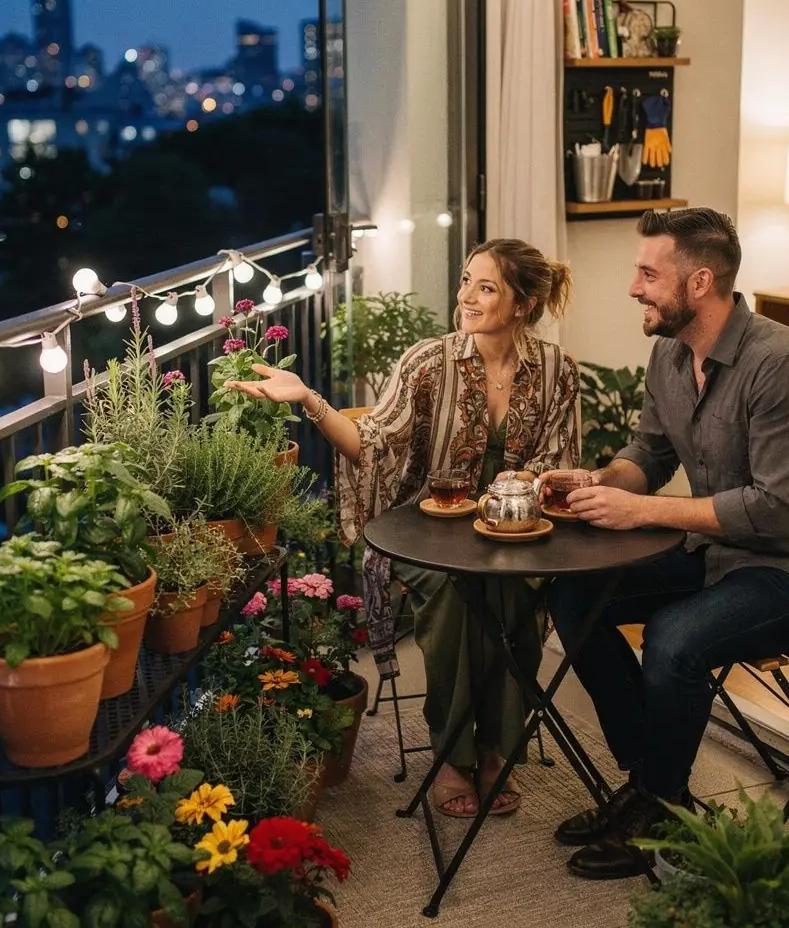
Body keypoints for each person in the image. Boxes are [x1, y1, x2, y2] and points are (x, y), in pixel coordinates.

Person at [226, 239, 580, 819]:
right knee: (451, 592)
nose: (465, 296)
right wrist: (308, 399)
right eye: (466, 280)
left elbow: (560, 462)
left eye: (486, 287)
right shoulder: (426, 363)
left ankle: (497, 748)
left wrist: (521, 497)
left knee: (516, 591)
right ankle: (451, 753)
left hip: (514, 532)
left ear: (523, 304)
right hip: (424, 529)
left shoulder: (557, 372)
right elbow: (368, 444)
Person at [544, 206, 789, 880]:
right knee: (574, 595)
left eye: (648, 273)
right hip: (709, 553)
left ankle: (657, 810)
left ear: (700, 282)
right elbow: (648, 456)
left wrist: (645, 512)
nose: (634, 287)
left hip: (783, 569)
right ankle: (654, 787)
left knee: (675, 638)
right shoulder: (667, 353)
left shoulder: (781, 363)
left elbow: (778, 510)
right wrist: (596, 482)